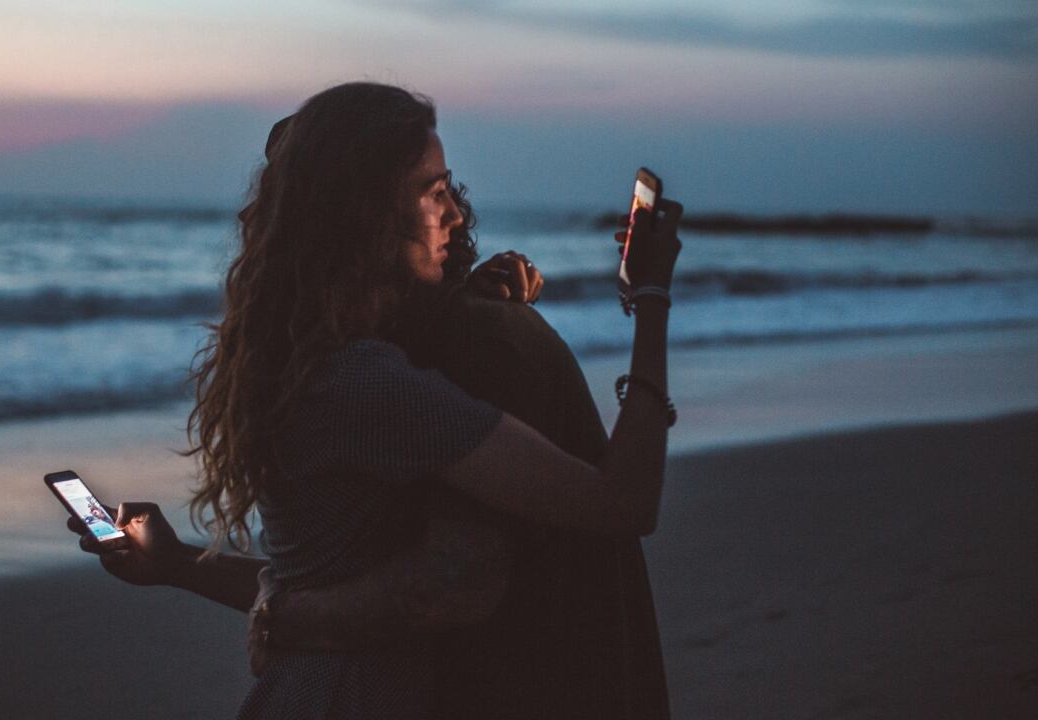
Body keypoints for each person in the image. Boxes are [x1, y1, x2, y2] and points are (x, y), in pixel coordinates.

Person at [69, 81, 681, 718]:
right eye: (434, 192)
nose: (456, 215)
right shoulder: (369, 383)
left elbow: (311, 591)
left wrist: (175, 563)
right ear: (367, 213)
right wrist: (651, 298)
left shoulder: (305, 361)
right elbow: (621, 502)